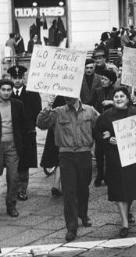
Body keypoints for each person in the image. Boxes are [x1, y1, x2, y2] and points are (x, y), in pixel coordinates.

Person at [37, 95, 99, 242]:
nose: (66, 98)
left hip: (84, 154)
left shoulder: (90, 111)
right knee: (69, 191)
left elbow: (101, 125)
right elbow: (41, 123)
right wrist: (48, 106)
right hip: (66, 156)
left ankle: (83, 214)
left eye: (69, 95)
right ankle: (71, 227)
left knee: (83, 188)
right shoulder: (57, 112)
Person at [94, 87, 136, 238]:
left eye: (121, 96)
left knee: (129, 189)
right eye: (116, 96)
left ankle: (128, 210)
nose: (118, 98)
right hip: (114, 159)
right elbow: (97, 133)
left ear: (127, 98)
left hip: (133, 158)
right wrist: (107, 138)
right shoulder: (106, 116)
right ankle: (124, 223)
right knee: (118, 190)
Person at [8, 66, 42, 201]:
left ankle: (23, 189)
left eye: (20, 78)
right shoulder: (6, 93)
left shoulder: (32, 93)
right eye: (15, 78)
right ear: (10, 78)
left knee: (24, 162)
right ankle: (13, 187)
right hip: (11, 133)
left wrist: (31, 126)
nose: (17, 81)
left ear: (24, 78)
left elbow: (37, 112)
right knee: (11, 161)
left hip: (26, 133)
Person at [0, 78, 28, 217]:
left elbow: (23, 125)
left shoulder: (18, 104)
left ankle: (11, 205)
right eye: (3, 90)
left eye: (8, 90)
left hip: (12, 146)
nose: (6, 92)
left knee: (13, 177)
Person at [90, 68, 117, 186]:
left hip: (112, 125)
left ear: (111, 81)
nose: (102, 81)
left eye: (105, 79)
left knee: (110, 151)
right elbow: (91, 104)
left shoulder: (116, 91)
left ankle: (109, 175)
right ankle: (100, 175)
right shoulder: (97, 91)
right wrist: (96, 113)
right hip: (99, 124)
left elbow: (124, 104)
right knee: (99, 151)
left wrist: (111, 102)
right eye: (102, 78)